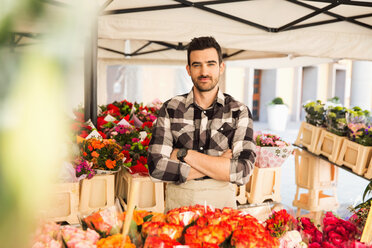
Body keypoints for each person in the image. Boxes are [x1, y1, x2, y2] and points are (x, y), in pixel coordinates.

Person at [147, 36, 256, 212]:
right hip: (179, 208)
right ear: (188, 70)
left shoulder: (238, 111)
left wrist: (183, 154)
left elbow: (243, 171)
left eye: (211, 64)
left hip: (223, 208)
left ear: (221, 67)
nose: (204, 72)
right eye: (197, 65)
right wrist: (219, 164)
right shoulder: (171, 108)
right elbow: (156, 168)